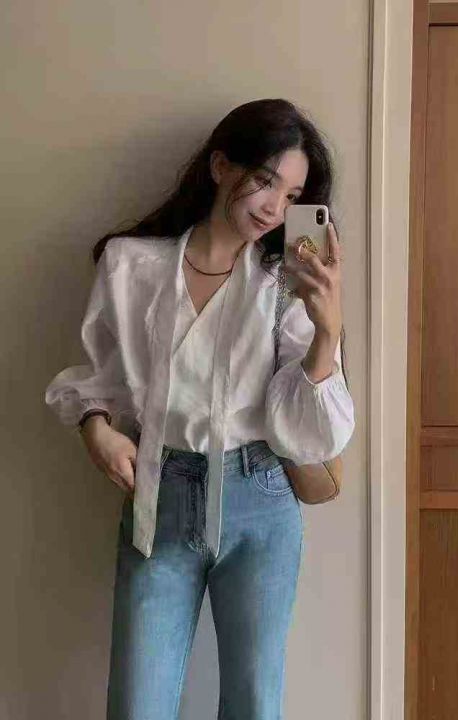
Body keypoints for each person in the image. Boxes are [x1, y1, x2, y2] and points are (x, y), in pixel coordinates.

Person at [44, 98, 355, 720]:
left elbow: (310, 434)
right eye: (264, 180)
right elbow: (99, 378)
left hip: (261, 496)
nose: (274, 207)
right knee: (138, 704)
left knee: (254, 704)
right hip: (160, 494)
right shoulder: (131, 264)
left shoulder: (281, 281)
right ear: (220, 166)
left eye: (292, 194)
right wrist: (95, 430)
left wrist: (326, 331)